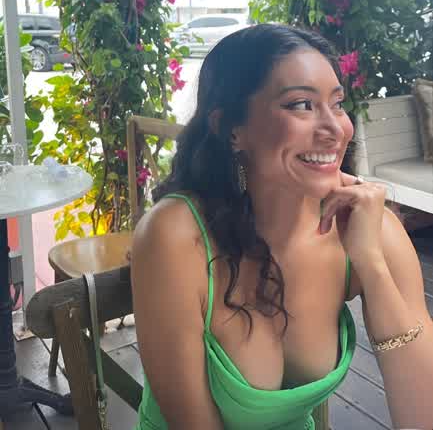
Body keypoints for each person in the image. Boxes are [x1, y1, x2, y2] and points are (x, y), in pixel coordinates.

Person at [131, 24, 433, 430]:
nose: (336, 129)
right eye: (301, 105)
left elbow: (422, 416)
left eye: (337, 104)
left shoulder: (367, 226)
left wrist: (371, 264)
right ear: (231, 130)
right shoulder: (175, 237)